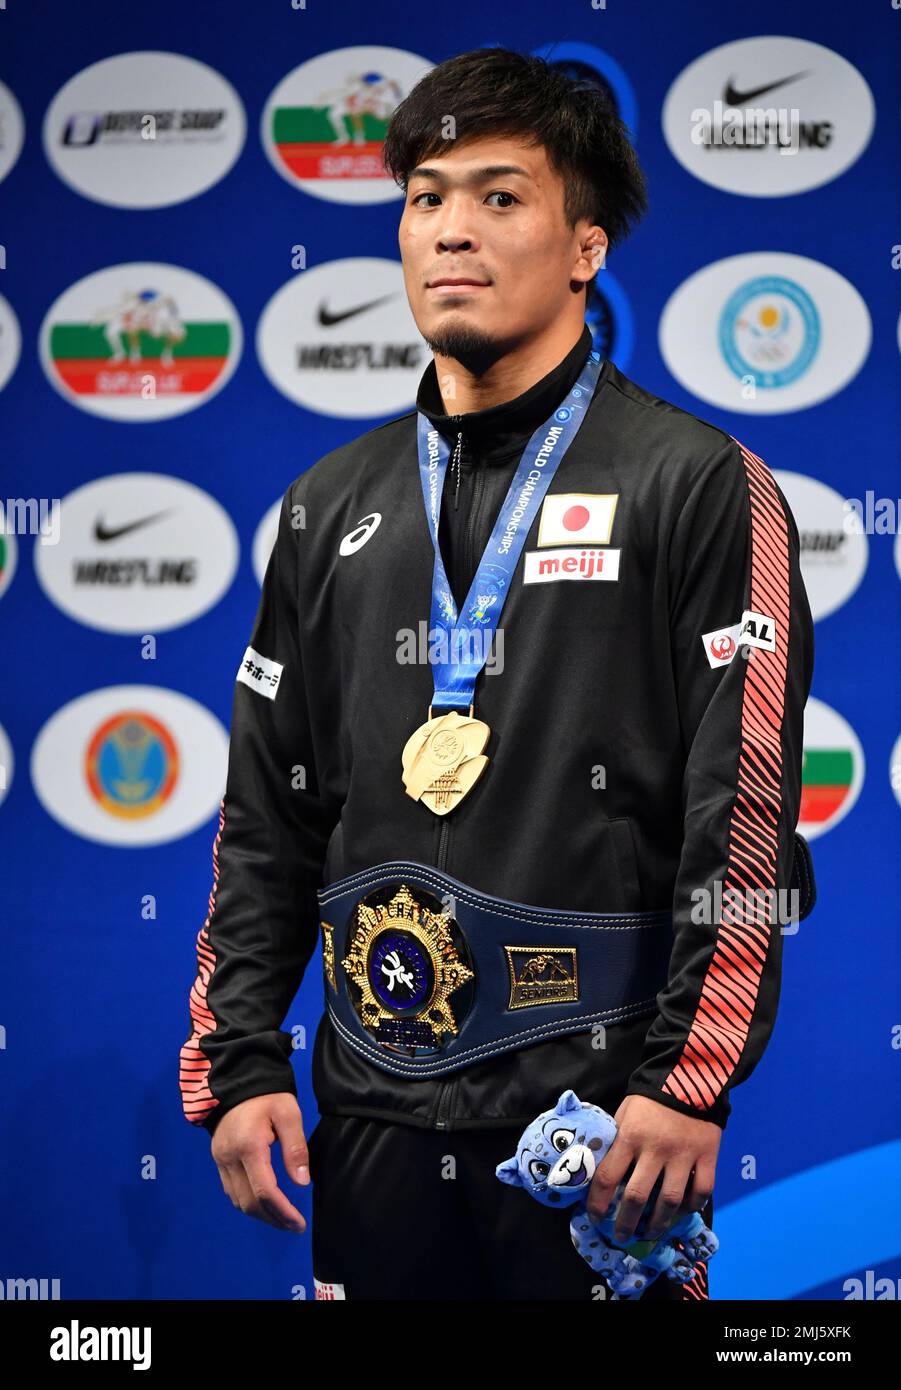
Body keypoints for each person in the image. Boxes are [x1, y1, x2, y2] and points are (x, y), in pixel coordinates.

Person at [179, 47, 815, 1301]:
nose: (451, 231)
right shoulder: (327, 506)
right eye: (424, 197)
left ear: (586, 245)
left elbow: (738, 822)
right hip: (368, 1114)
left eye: (499, 196)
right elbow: (266, 818)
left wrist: (686, 1081)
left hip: (592, 1131)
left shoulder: (695, 485)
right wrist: (241, 1059)